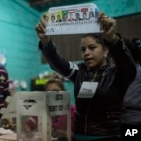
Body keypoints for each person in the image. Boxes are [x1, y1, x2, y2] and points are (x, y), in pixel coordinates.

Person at [35, 12, 136, 141]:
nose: (86, 53)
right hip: (79, 136)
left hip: (107, 136)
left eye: (92, 48)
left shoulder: (117, 73)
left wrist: (112, 39)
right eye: (83, 49)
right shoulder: (79, 71)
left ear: (105, 50)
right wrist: (45, 41)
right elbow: (57, 63)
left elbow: (128, 65)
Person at [120, 38, 141, 141]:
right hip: (119, 122)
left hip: (133, 123)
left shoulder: (139, 72)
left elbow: (127, 100)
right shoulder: (115, 72)